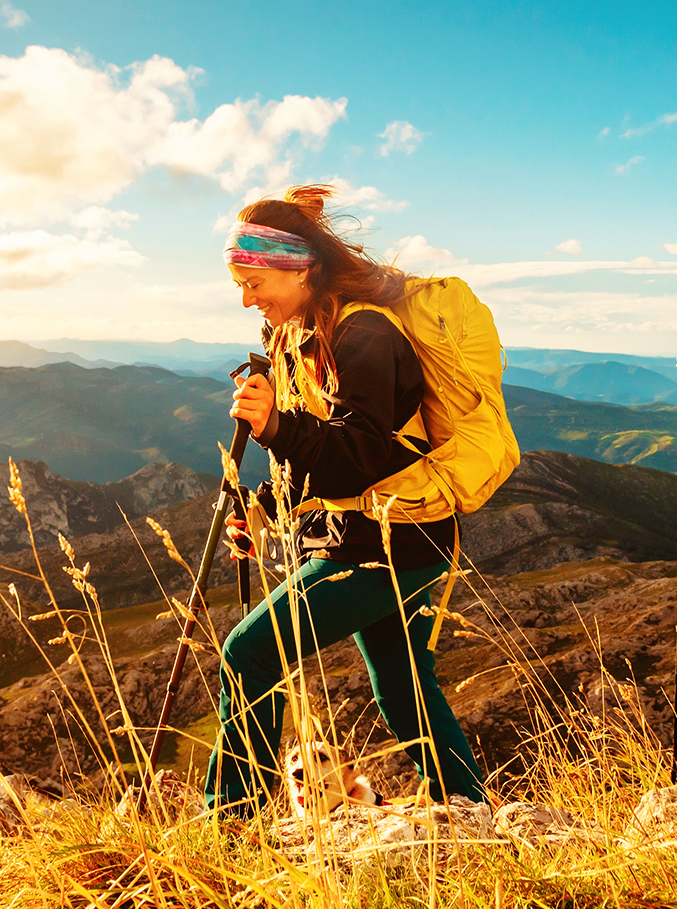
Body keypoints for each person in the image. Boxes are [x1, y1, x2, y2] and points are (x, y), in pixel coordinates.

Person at [205, 184, 487, 816]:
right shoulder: (310, 331)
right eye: (240, 287)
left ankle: (230, 825)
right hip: (389, 533)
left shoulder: (363, 334)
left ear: (300, 269)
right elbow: (318, 459)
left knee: (250, 652)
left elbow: (356, 455)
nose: (248, 299)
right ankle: (468, 812)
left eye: (255, 284)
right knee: (404, 686)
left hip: (384, 540)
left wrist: (276, 425)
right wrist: (264, 509)